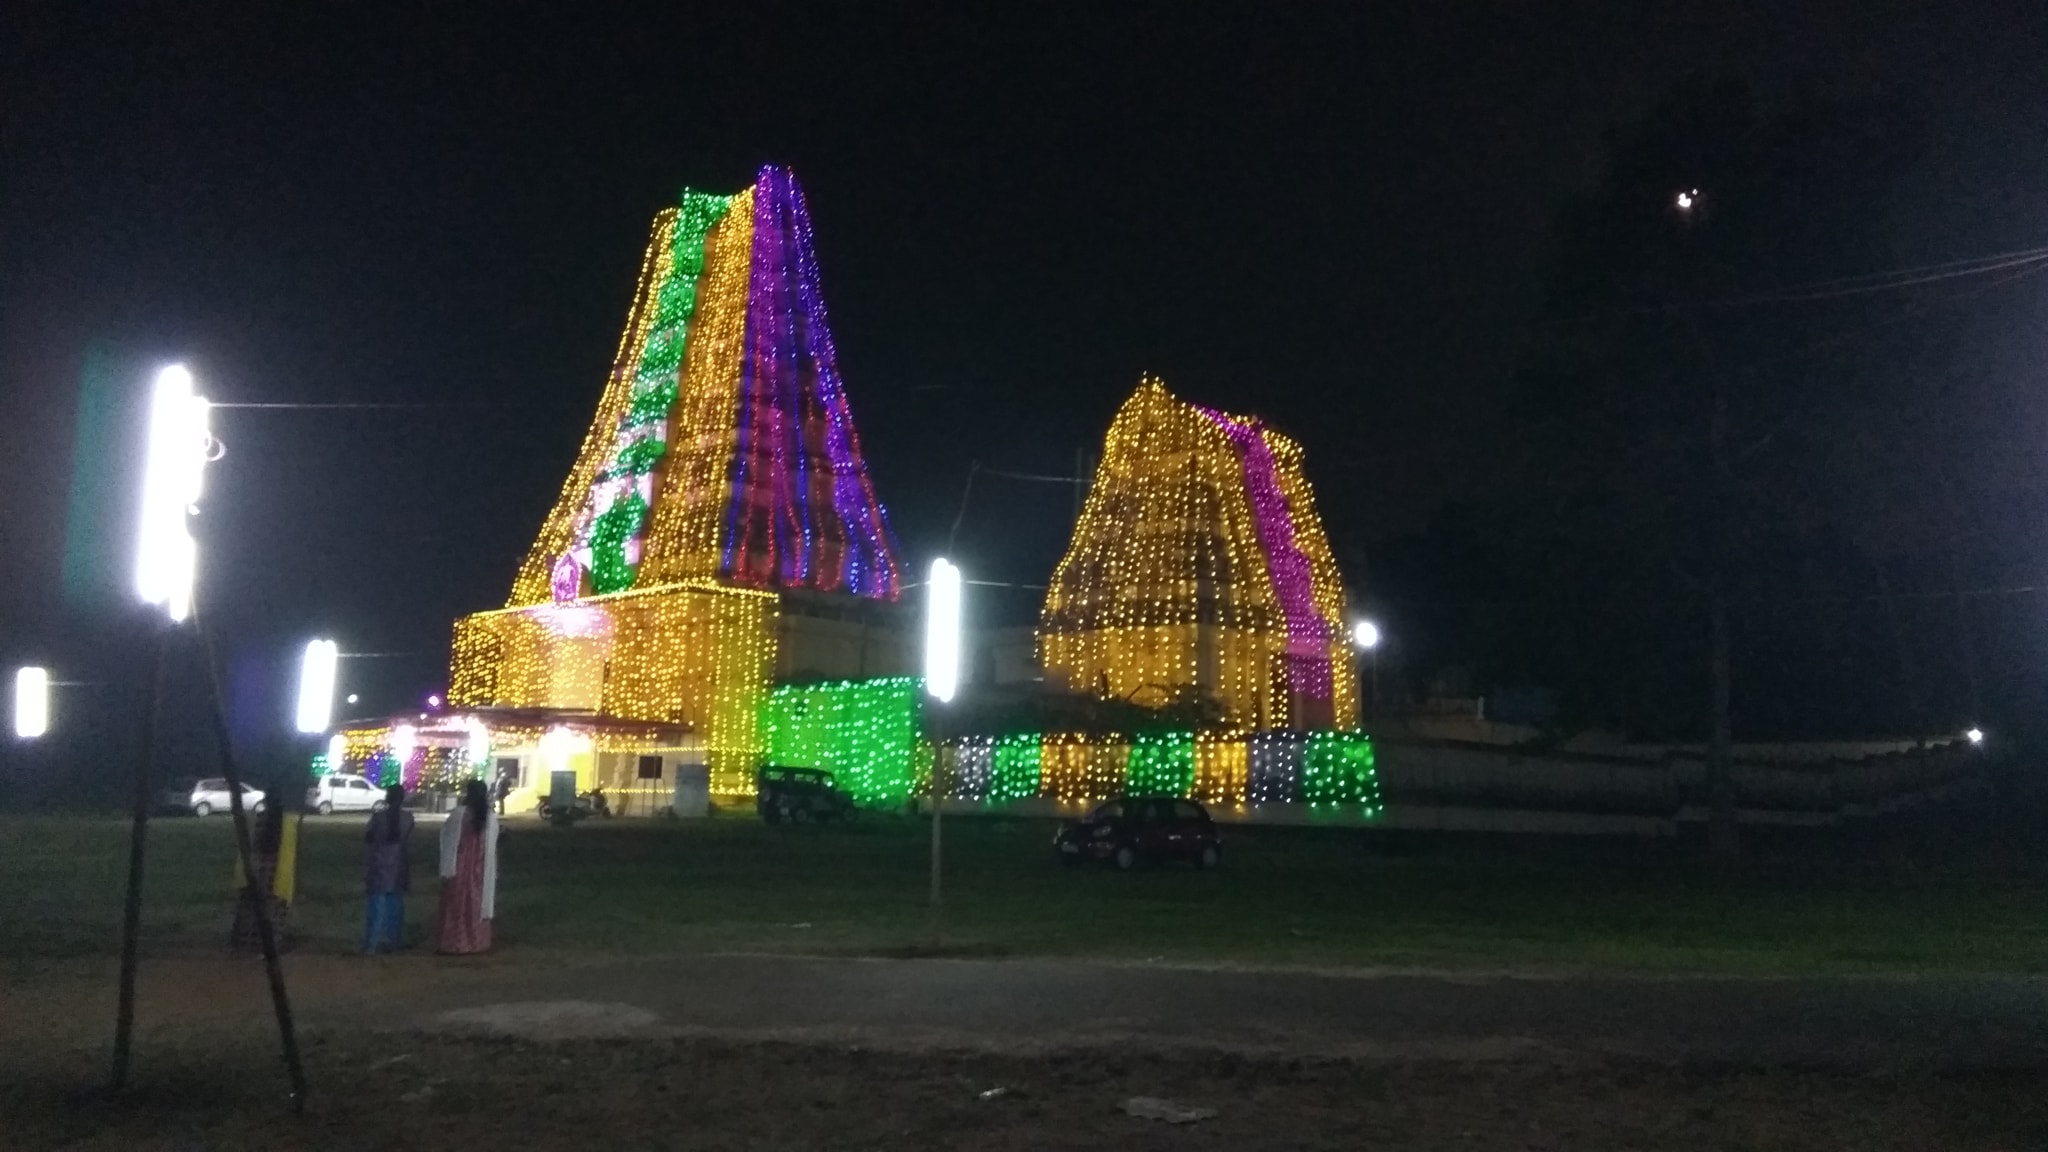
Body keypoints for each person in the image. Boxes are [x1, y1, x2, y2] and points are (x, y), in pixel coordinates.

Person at [436, 778, 500, 955]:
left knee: (456, 903)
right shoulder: (489, 817)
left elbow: (447, 837)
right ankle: (476, 942)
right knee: (475, 903)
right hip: (480, 868)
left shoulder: (459, 814)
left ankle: (455, 942)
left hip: (459, 866)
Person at [231, 804, 299, 954]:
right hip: (274, 871)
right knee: (271, 909)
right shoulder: (286, 823)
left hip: (257, 867)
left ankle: (247, 943)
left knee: (252, 908)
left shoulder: (258, 819)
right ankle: (268, 945)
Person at [363, 784, 414, 953]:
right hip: (399, 864)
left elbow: (368, 837)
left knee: (377, 904)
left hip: (380, 863)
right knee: (395, 905)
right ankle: (393, 941)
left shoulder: (378, 817)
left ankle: (372, 943)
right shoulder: (408, 818)